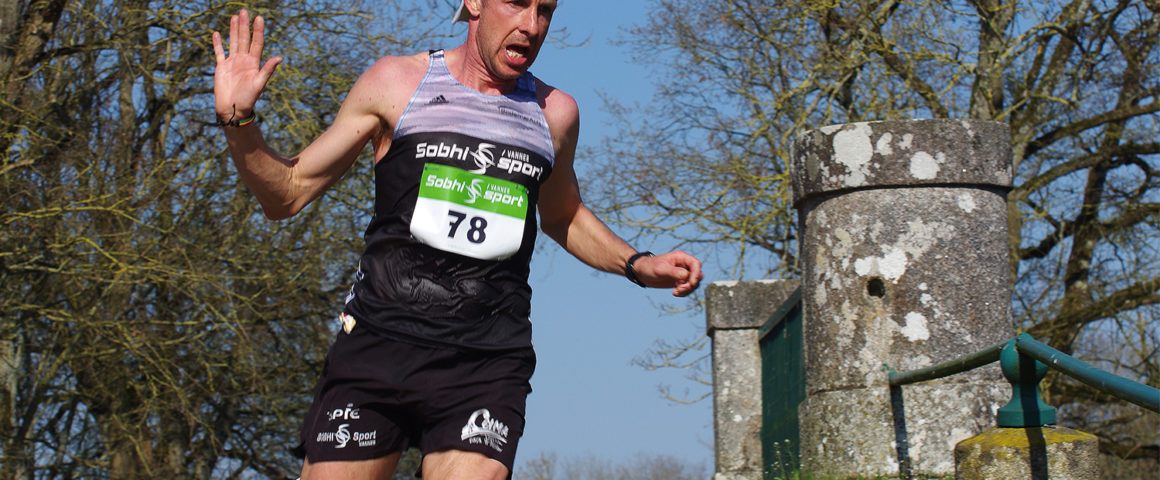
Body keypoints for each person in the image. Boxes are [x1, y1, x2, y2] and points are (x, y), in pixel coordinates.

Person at [212, 1, 703, 479]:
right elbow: (287, 193)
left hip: (485, 360)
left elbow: (564, 214)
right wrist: (239, 120)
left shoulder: (554, 113)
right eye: (517, 3)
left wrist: (637, 263)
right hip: (379, 345)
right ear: (474, 3)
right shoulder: (397, 83)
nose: (532, 25)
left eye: (546, 10)